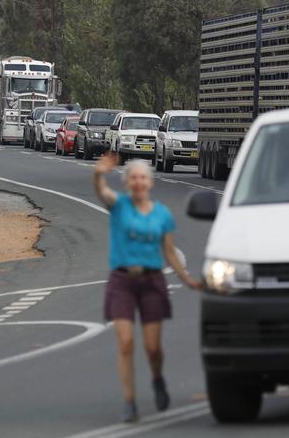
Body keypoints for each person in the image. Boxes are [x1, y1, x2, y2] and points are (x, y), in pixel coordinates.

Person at [92, 153, 202, 423]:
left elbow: (170, 252)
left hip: (152, 281)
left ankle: (157, 379)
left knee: (153, 348)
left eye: (143, 177)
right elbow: (102, 191)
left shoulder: (162, 214)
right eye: (133, 178)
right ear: (127, 182)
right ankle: (129, 401)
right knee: (126, 342)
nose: (138, 182)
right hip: (122, 281)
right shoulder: (119, 205)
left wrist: (187, 279)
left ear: (150, 182)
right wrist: (97, 174)